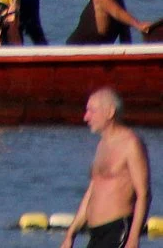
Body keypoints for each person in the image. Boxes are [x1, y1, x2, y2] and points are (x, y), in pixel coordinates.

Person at [62, 88, 151, 248]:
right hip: (96, 234)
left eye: (92, 111)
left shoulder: (131, 144)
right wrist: (70, 234)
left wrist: (133, 238)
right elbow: (92, 191)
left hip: (118, 231)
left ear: (110, 112)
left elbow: (144, 194)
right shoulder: (102, 144)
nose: (86, 117)